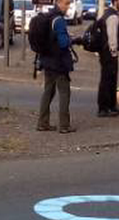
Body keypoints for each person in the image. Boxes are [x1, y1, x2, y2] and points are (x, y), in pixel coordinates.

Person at [37, 0, 77, 133]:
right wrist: (72, 39)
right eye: (66, 3)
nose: (68, 7)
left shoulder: (48, 16)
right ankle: (64, 125)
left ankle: (42, 123)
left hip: (46, 60)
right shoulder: (59, 20)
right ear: (59, 3)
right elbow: (63, 43)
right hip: (58, 62)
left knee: (48, 91)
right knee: (65, 92)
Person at [97, 0, 119, 117]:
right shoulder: (112, 16)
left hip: (105, 52)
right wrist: (114, 52)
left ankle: (109, 106)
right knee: (108, 80)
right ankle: (105, 108)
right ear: (116, 1)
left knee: (108, 79)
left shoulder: (108, 13)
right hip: (109, 53)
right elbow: (112, 36)